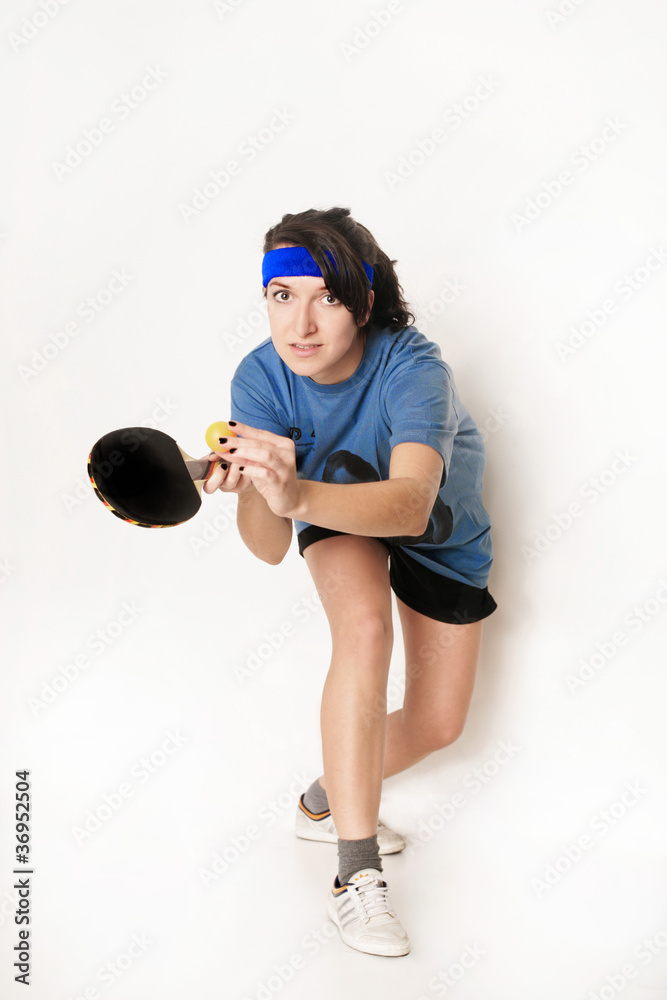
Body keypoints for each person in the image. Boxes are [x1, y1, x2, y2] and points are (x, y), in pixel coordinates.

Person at [203, 206, 497, 958]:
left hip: (435, 529)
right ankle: (355, 874)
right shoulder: (260, 377)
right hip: (335, 510)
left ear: (364, 304)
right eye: (281, 296)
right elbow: (267, 547)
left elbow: (410, 505)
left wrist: (293, 490)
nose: (299, 324)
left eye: (326, 298)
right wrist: (257, 487)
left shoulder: (414, 368)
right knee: (363, 629)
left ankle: (323, 797)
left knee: (439, 725)